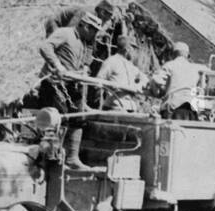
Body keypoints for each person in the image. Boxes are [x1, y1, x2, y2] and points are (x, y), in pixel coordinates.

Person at [37, 10, 101, 169]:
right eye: (93, 30)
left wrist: (84, 68)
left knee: (79, 117)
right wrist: (57, 65)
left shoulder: (85, 44)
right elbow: (45, 47)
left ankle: (72, 158)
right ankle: (54, 159)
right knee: (59, 118)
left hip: (72, 84)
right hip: (54, 83)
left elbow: (85, 60)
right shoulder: (64, 33)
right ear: (85, 26)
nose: (95, 34)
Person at [150, 41, 205, 121]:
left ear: (173, 54)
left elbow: (157, 80)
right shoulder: (196, 69)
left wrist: (157, 90)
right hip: (191, 112)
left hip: (173, 110)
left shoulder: (170, 65)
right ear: (187, 55)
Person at [95, 35, 145, 110]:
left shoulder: (132, 67)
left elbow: (144, 80)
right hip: (114, 106)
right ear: (127, 49)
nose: (134, 52)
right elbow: (98, 82)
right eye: (133, 48)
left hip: (130, 107)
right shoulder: (111, 61)